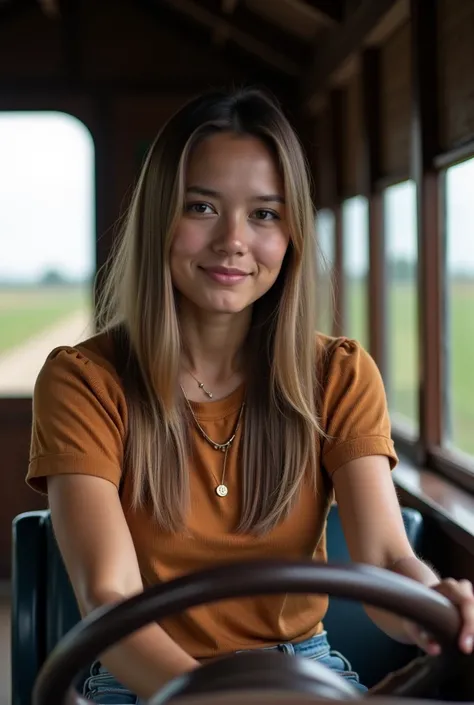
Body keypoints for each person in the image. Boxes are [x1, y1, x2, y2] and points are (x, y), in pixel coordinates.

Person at [27, 87, 474, 704]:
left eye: (264, 213)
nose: (233, 240)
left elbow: (388, 559)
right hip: (143, 684)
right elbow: (111, 598)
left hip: (302, 672)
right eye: (202, 207)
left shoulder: (338, 374)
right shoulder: (84, 381)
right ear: (160, 216)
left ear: (291, 233)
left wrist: (432, 603)